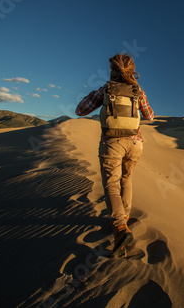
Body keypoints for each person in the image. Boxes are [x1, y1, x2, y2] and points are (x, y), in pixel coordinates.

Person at [75, 53, 154, 257]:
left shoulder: (106, 89)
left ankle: (120, 228)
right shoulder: (138, 91)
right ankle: (124, 220)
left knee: (111, 184)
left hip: (112, 143)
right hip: (135, 142)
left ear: (112, 70)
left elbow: (80, 110)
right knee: (126, 180)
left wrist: (98, 96)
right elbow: (150, 116)